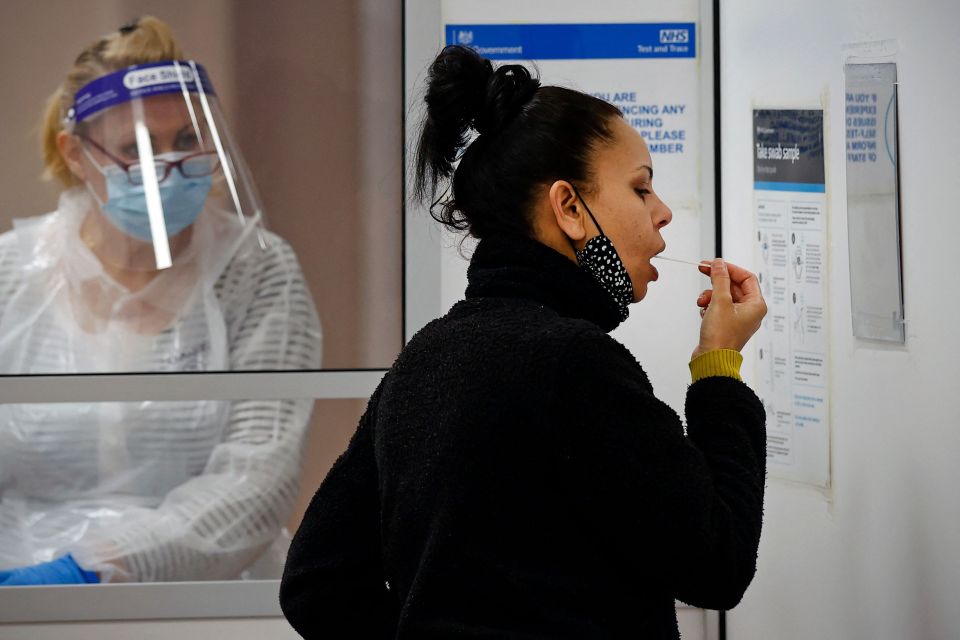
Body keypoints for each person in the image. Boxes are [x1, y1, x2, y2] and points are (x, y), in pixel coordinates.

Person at [280, 46, 766, 638]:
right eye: (641, 190)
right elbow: (716, 565)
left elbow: (317, 583)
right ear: (569, 207)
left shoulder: (428, 355)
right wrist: (718, 370)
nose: (663, 213)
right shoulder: (574, 363)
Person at [0, 16, 322, 585]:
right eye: (137, 148)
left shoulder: (256, 271)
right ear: (75, 153)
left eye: (185, 141)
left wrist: (92, 571)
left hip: (201, 598)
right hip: (21, 594)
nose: (169, 168)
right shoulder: (13, 275)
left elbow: (255, 481)